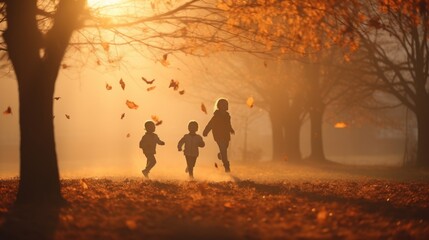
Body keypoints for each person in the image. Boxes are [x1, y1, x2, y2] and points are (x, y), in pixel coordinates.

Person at [203, 98, 234, 172]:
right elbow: (210, 124)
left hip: (226, 135)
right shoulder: (216, 116)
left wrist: (231, 129)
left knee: (224, 149)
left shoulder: (227, 116)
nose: (225, 106)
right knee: (224, 150)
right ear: (219, 106)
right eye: (223, 105)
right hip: (218, 135)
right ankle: (226, 166)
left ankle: (221, 155)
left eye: (226, 104)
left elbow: (228, 124)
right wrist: (206, 131)